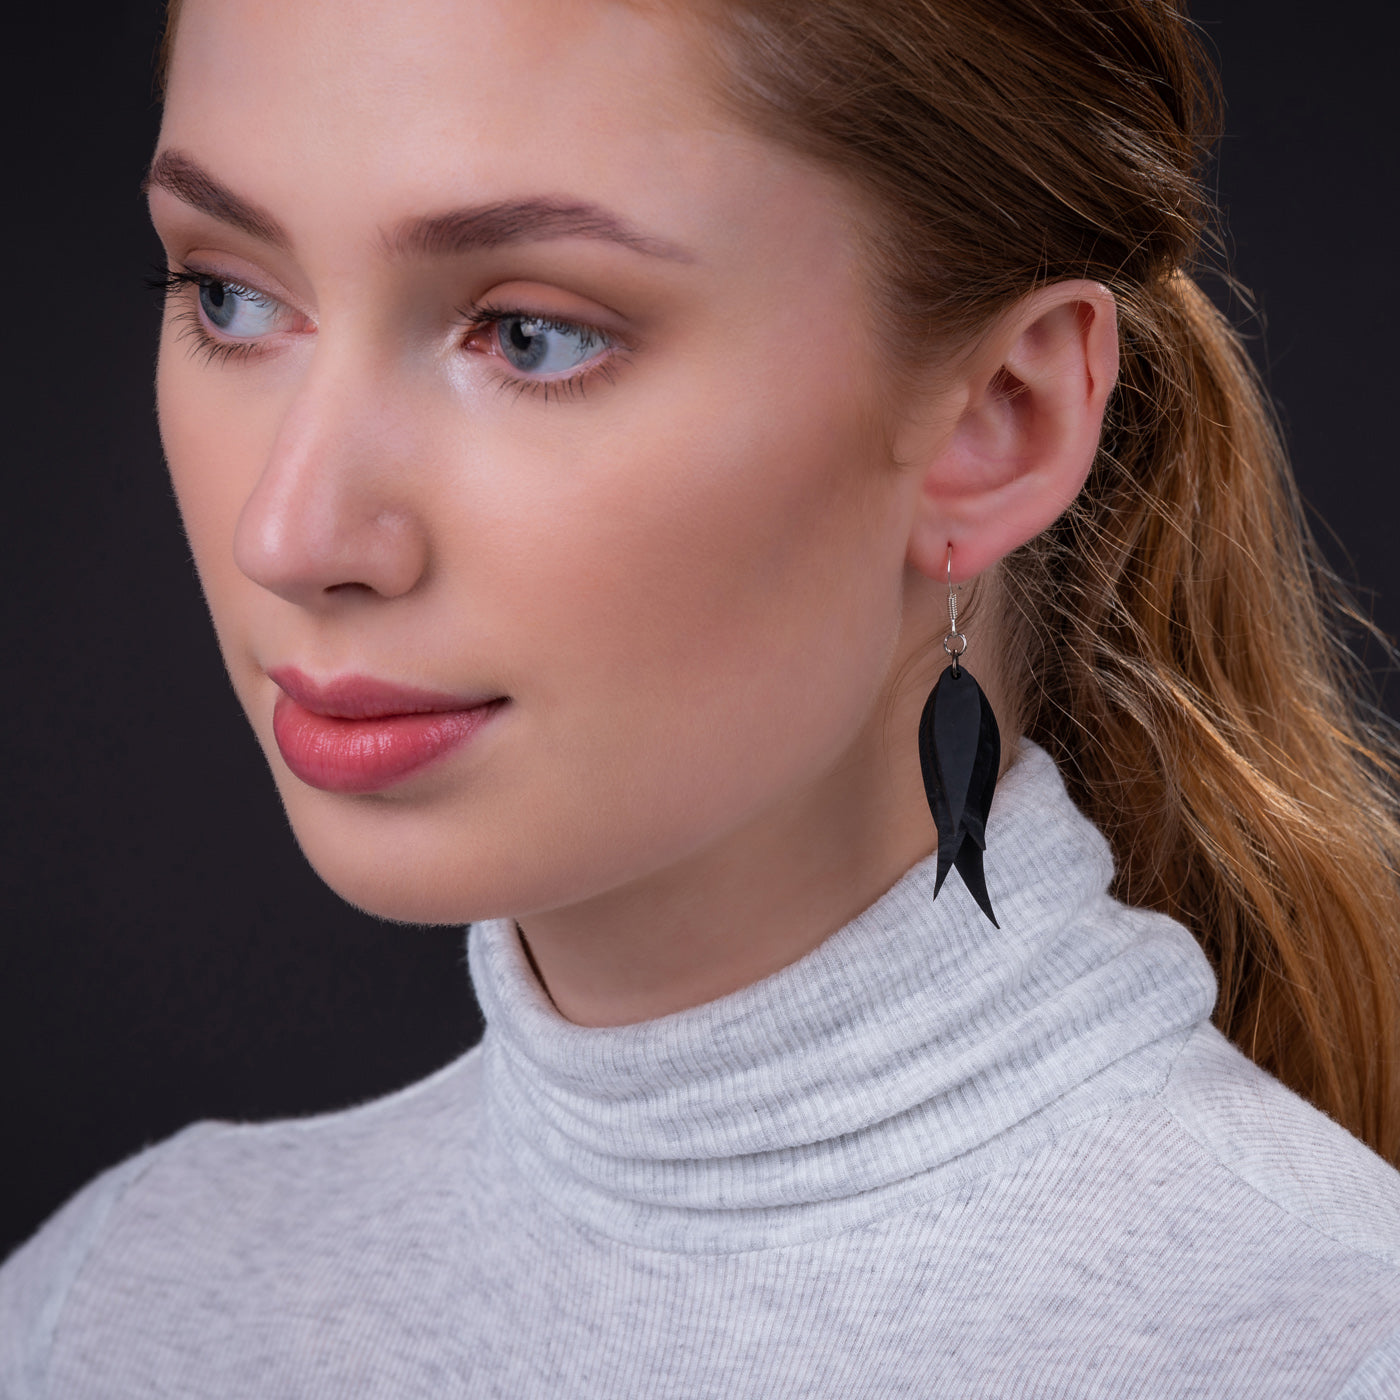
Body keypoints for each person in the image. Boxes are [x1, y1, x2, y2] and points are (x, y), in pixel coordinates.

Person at [4, 0, 1400, 1393]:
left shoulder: (1332, 1344)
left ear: (1002, 421)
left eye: (533, 334)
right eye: (229, 296)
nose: (288, 534)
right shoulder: (114, 1305)